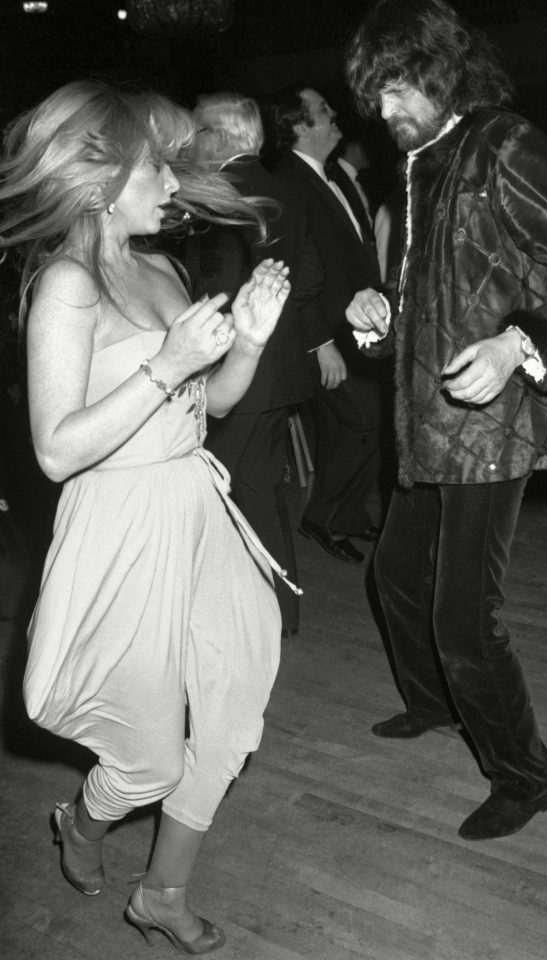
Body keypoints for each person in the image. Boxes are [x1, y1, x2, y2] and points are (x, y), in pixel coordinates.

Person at [0, 79, 292, 955]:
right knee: (149, 761)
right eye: (156, 167)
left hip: (195, 504)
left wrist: (246, 338)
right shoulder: (66, 286)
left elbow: (213, 406)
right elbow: (56, 450)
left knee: (236, 706)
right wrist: (165, 366)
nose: (173, 183)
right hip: (121, 526)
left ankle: (161, 893)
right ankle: (82, 824)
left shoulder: (163, 268)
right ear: (98, 181)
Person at [344, 0, 547, 841]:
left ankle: (525, 775)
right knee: (394, 575)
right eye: (373, 96)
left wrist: (522, 341)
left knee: (464, 618)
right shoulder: (420, 162)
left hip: (491, 426)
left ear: (440, 75)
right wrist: (379, 318)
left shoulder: (503, 145)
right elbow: (439, 293)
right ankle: (436, 705)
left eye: (394, 88)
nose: (382, 111)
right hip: (426, 419)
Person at [185, 91, 322, 638]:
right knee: (260, 491)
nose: (189, 143)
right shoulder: (288, 184)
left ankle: (256, 619)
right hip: (281, 368)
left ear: (217, 137)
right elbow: (310, 277)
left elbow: (209, 288)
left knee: (228, 492)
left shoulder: (217, 193)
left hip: (240, 373)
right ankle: (279, 614)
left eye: (196, 132)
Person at [268, 86, 385, 564]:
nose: (334, 114)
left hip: (359, 328)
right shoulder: (290, 182)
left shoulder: (332, 173)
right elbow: (295, 271)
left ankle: (348, 514)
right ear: (299, 125)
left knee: (365, 424)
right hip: (325, 335)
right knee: (364, 421)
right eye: (322, 111)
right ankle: (322, 515)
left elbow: (357, 255)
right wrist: (319, 343)